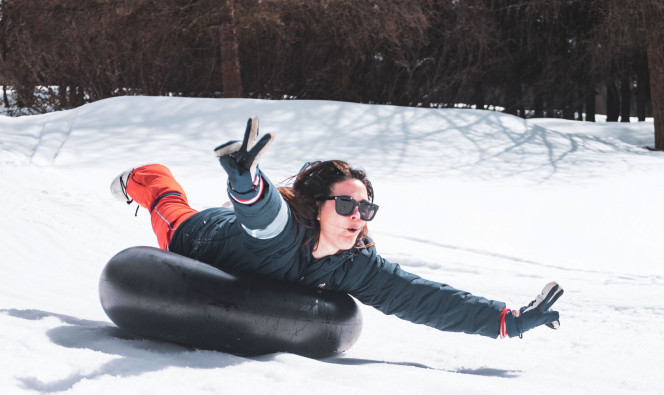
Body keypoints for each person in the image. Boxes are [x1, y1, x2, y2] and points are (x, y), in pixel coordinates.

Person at [110, 117, 562, 339]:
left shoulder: (355, 264)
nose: (356, 216)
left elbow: (420, 296)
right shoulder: (285, 230)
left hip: (249, 237)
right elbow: (264, 215)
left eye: (366, 208)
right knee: (169, 204)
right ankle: (143, 174)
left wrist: (506, 321)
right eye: (346, 203)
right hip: (204, 238)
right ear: (316, 205)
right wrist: (246, 182)